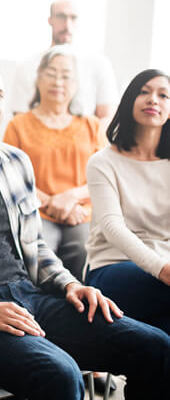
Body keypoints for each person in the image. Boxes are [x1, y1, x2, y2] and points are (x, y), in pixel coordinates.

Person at [0, 60, 170, 398]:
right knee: (62, 375)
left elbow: (35, 245)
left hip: (30, 297)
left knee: (156, 346)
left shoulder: (17, 163)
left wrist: (70, 284)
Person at [3, 46, 105, 279]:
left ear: (76, 84)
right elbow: (10, 177)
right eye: (51, 73)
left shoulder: (92, 125)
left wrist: (71, 199)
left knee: (83, 249)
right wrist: (52, 203)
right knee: (40, 252)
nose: (58, 81)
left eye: (66, 76)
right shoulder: (18, 125)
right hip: (34, 210)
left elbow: (104, 178)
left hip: (80, 212)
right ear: (38, 78)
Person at [85, 69, 170, 335]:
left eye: (163, 94)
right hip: (112, 268)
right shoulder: (103, 162)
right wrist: (162, 269)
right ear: (129, 101)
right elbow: (112, 227)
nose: (153, 99)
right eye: (144, 92)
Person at [10, 0, 118, 121]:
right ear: (50, 20)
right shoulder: (27, 66)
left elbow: (107, 119)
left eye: (73, 18)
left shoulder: (99, 64)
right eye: (61, 16)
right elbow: (19, 121)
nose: (67, 25)